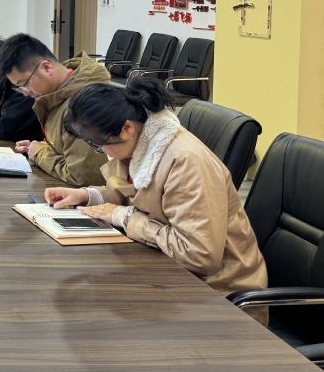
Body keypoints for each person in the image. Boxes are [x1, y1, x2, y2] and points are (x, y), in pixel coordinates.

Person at [45, 77, 268, 314]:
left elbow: (198, 255)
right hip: (174, 274)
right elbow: (145, 195)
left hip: (219, 294)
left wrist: (124, 217)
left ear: (127, 128)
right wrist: (87, 195)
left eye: (98, 144)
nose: (99, 151)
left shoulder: (185, 163)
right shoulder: (139, 142)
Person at [0, 33, 108, 186]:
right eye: (19, 87)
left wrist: (40, 153)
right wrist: (37, 148)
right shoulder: (58, 94)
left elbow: (84, 178)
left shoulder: (84, 106)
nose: (25, 93)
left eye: (24, 84)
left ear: (46, 68)